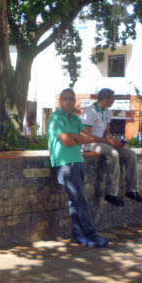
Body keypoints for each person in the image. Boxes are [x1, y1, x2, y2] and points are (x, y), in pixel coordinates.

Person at [47, 88, 109, 248]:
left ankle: (78, 235)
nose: (68, 101)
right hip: (64, 164)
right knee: (80, 200)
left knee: (76, 201)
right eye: (65, 99)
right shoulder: (55, 118)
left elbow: (86, 137)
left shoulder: (75, 118)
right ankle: (91, 234)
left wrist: (75, 137)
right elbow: (66, 141)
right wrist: (76, 137)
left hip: (77, 160)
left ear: (75, 101)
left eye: (71, 99)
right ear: (60, 101)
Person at [81, 88, 142, 206]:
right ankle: (111, 193)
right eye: (113, 99)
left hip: (102, 141)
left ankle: (132, 190)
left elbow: (106, 132)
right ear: (106, 99)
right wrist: (107, 141)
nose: (113, 101)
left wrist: (115, 141)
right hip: (89, 143)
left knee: (130, 153)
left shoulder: (107, 112)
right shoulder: (90, 112)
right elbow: (86, 136)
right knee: (113, 154)